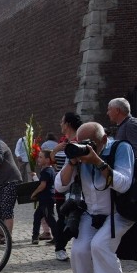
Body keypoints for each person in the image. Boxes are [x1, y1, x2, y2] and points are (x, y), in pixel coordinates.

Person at [56, 122, 134, 273]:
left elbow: (123, 184)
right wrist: (72, 161)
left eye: (91, 143)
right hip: (91, 213)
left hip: (119, 213)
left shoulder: (120, 148)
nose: (87, 147)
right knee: (79, 250)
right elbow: (60, 186)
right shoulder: (79, 156)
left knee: (100, 245)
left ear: (104, 139)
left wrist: (98, 161)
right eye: (82, 143)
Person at [50, 112, 83, 261]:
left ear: (68, 124)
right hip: (62, 187)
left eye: (62, 122)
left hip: (75, 188)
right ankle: (60, 247)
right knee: (63, 218)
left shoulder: (78, 141)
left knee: (71, 219)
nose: (60, 124)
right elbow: (54, 162)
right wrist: (56, 150)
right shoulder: (64, 142)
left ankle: (61, 245)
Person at [0, 135, 22, 244]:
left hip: (10, 179)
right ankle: (1, 234)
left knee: (6, 207)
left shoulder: (0, 145)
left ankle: (8, 236)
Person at [30, 150, 58, 245]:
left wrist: (34, 193)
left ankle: (58, 237)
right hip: (45, 199)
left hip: (47, 199)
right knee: (37, 216)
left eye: (41, 157)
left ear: (47, 160)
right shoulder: (49, 170)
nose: (38, 159)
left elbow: (42, 185)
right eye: (39, 157)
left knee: (50, 218)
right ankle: (35, 237)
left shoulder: (46, 171)